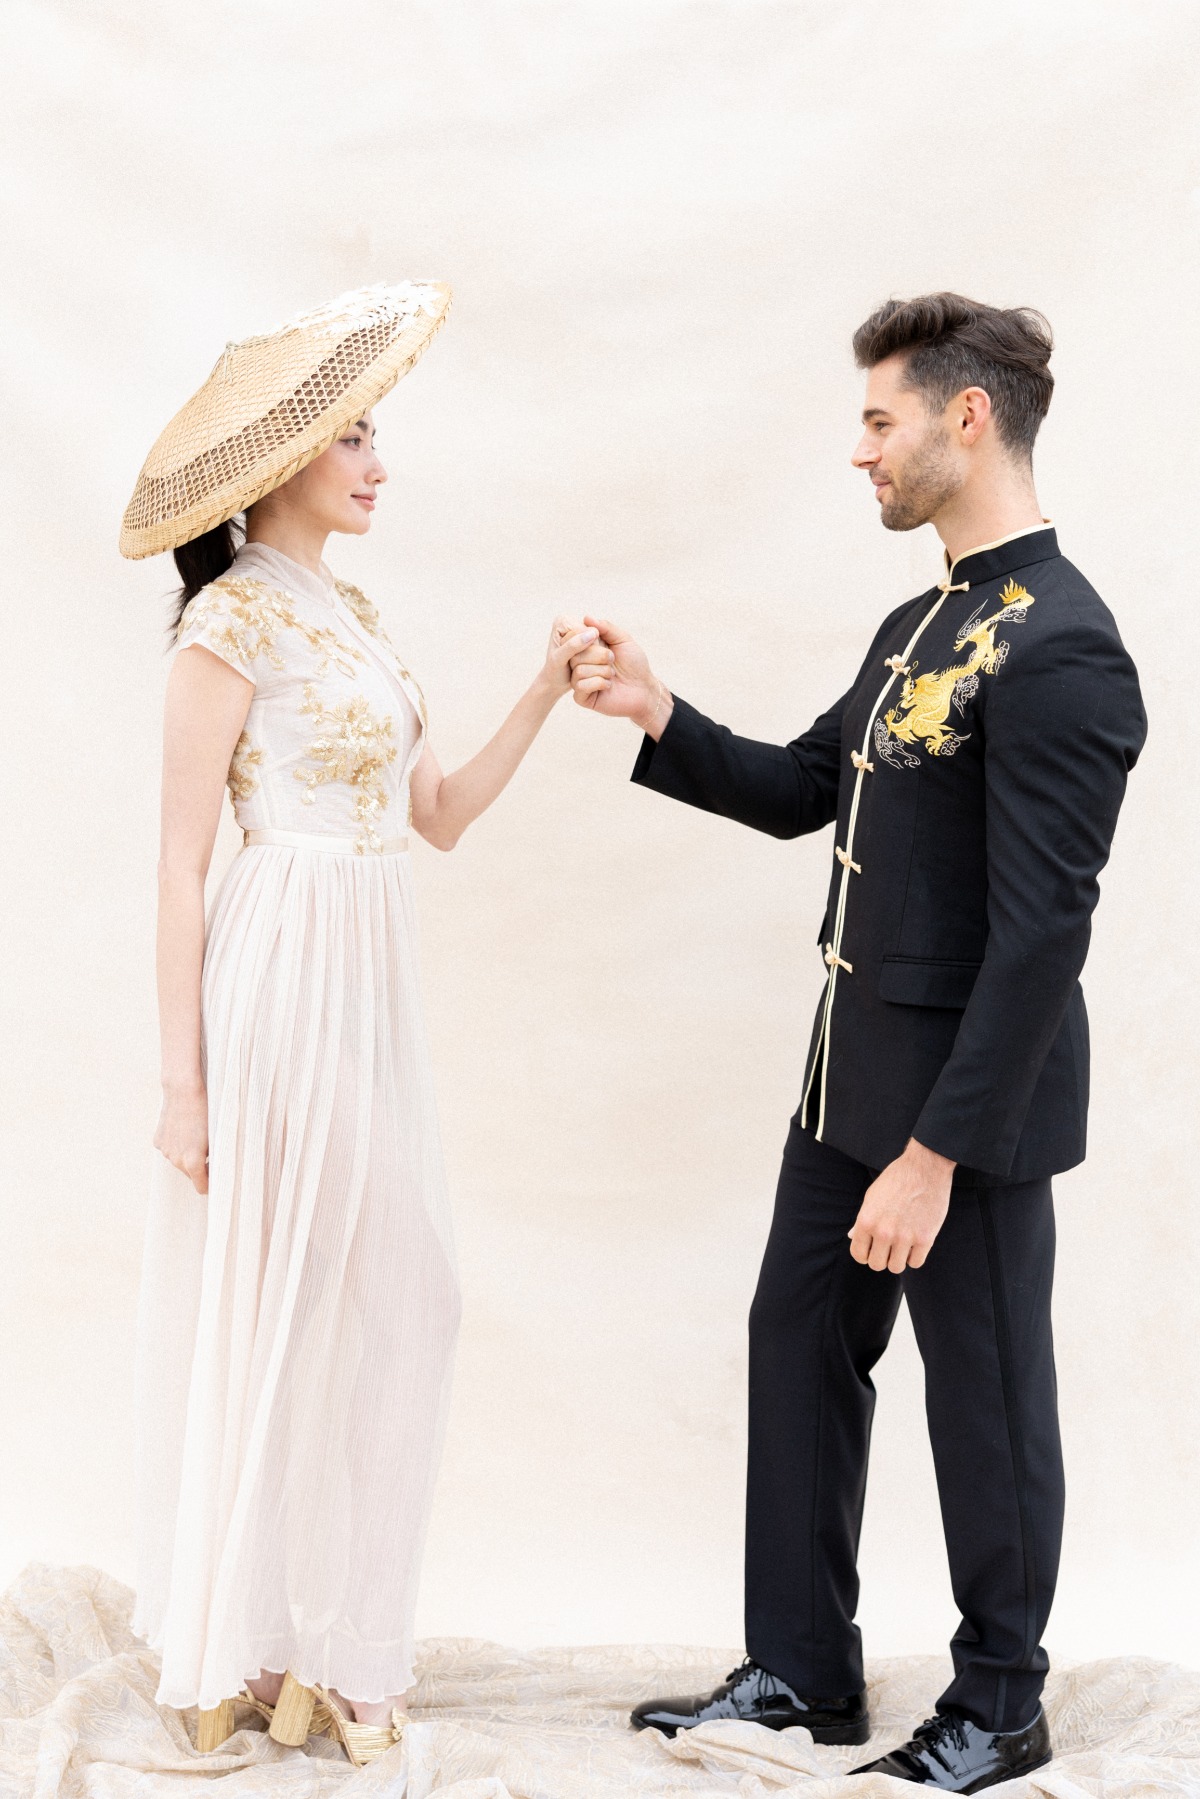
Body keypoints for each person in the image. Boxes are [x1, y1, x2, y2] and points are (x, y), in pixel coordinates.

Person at [568, 293, 1146, 1791]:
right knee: (798, 1346)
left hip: (968, 1116)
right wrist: (658, 707)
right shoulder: (921, 620)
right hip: (847, 1088)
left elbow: (1041, 937)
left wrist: (936, 1156)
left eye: (879, 420)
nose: (859, 453)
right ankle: (807, 1671)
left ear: (967, 418)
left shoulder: (1068, 648)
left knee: (988, 1395)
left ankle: (1000, 1703)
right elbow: (804, 784)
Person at [120, 283, 598, 1767]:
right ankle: (276, 1646)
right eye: (353, 435)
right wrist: (182, 1085)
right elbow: (183, 860)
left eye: (378, 430)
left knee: (378, 1301)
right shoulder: (231, 617)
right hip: (280, 972)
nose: (378, 459)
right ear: (280, 466)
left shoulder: (360, 617)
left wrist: (538, 689)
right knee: (321, 1295)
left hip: (370, 967)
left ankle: (313, 1651)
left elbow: (438, 816)